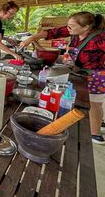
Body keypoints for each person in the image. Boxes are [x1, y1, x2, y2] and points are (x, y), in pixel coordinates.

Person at [20, 11, 105, 144]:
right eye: (68, 25)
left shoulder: (100, 38)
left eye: (71, 26)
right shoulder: (75, 32)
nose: (67, 28)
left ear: (85, 27)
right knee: (78, 101)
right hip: (79, 73)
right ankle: (89, 123)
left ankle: (95, 132)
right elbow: (51, 33)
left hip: (96, 75)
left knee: (94, 104)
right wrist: (31, 39)